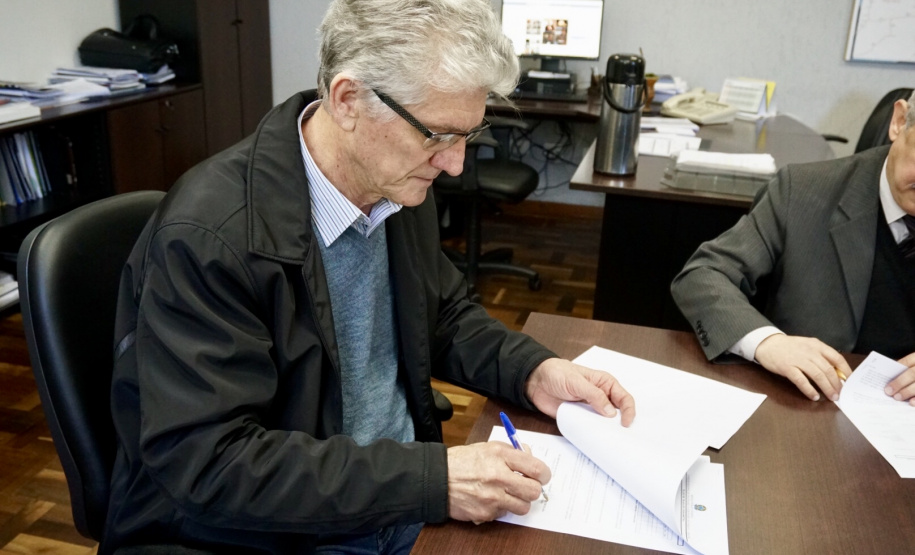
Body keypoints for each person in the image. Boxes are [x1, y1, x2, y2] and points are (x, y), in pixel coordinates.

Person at [103, 0, 635, 553]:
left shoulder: (396, 182)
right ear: (349, 101)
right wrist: (434, 480)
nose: (454, 164)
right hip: (279, 529)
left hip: (390, 491)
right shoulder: (210, 237)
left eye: (467, 135)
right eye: (437, 135)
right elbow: (212, 463)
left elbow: (443, 315)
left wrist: (534, 372)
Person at [671, 89, 915, 405]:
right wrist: (768, 342)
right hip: (809, 404)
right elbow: (704, 275)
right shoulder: (802, 191)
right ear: (899, 121)